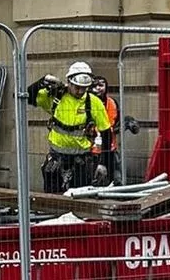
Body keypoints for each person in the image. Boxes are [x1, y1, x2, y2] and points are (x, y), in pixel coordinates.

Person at [28, 61, 115, 193]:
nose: (80, 91)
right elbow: (28, 96)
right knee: (53, 199)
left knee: (81, 199)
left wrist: (103, 163)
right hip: (56, 158)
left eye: (84, 88)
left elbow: (106, 134)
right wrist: (42, 81)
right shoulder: (56, 97)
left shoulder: (93, 103)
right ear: (69, 82)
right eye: (77, 87)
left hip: (82, 160)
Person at [90, 75, 140, 185]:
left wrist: (128, 122)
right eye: (95, 86)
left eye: (101, 85)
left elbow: (117, 122)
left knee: (116, 179)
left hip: (110, 149)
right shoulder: (87, 103)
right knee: (94, 181)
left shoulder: (112, 103)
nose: (98, 88)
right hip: (91, 151)